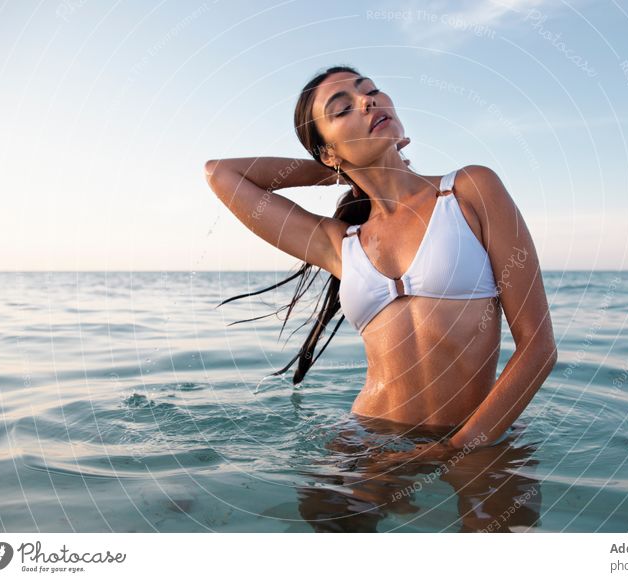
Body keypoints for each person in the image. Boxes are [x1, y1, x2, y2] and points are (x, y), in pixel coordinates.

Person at [203, 65, 557, 460]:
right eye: (342, 109)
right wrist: (343, 169)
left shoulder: (468, 191)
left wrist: (456, 448)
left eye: (370, 91)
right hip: (367, 441)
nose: (367, 101)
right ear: (327, 150)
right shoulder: (340, 245)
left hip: (477, 437)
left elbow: (538, 346)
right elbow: (221, 173)